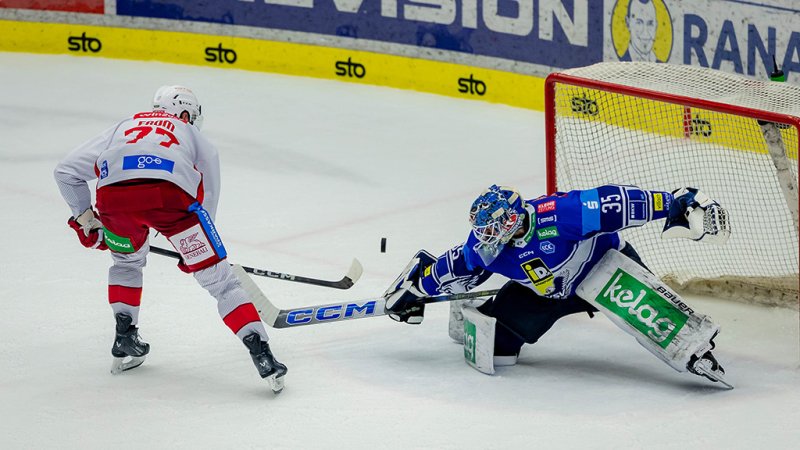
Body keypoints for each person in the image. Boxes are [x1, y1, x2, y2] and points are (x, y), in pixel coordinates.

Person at [54, 86, 287, 393]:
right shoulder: (192, 134)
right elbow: (207, 195)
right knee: (222, 283)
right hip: (169, 198)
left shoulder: (125, 126)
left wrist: (87, 220)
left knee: (126, 263)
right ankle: (262, 355)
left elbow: (66, 172)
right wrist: (198, 253)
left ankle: (125, 336)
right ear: (186, 113)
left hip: (114, 201)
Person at [383, 184, 731, 385]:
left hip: (604, 269)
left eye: (491, 229)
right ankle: (486, 317)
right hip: (548, 294)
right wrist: (416, 289)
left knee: (652, 315)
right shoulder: (484, 247)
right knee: (497, 349)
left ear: (512, 220)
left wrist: (676, 203)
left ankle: (696, 351)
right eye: (482, 229)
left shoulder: (562, 213)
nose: (484, 237)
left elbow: (619, 203)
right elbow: (455, 264)